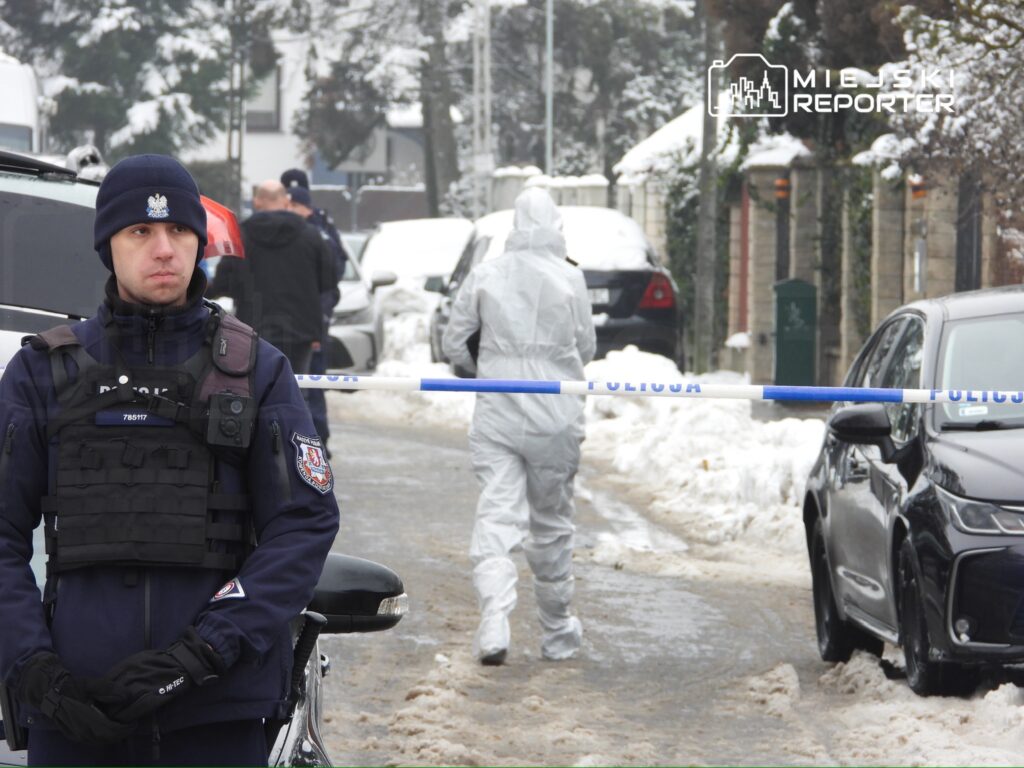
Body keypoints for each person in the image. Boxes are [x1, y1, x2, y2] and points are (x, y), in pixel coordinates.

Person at [0, 154, 340, 765]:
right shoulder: (39, 373)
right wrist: (32, 667)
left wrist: (206, 650)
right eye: (141, 232)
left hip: (216, 710)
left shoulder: (258, 370)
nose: (164, 249)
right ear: (108, 244)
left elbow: (304, 524)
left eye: (179, 231)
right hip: (74, 712)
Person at [442, 187, 596, 666]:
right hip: (556, 416)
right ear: (557, 225)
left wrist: (484, 369)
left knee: (496, 516)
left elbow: (454, 342)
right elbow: (586, 347)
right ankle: (557, 635)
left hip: (498, 416)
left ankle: (494, 621)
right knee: (551, 526)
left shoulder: (486, 274)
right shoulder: (572, 278)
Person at [208, 180, 336, 381]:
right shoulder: (312, 236)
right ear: (286, 202)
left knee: (254, 392)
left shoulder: (241, 236)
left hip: (252, 330)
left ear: (256, 202)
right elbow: (328, 283)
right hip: (301, 333)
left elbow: (224, 283)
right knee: (296, 390)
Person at [287, 184, 348, 454]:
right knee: (307, 386)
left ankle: (317, 444)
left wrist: (320, 317)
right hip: (307, 323)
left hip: (311, 324)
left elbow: (329, 284)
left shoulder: (316, 234)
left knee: (312, 385)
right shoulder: (313, 231)